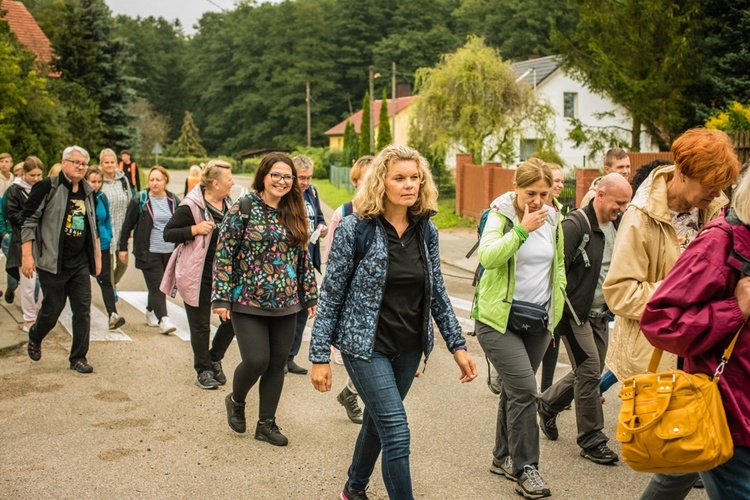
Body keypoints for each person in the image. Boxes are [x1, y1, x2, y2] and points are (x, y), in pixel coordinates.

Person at [310, 145, 477, 500]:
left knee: (377, 421)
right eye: (399, 177)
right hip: (364, 347)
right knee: (397, 431)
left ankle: (354, 488)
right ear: (380, 182)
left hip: (409, 348)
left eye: (415, 177)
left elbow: (437, 295)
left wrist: (457, 345)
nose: (409, 185)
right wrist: (319, 356)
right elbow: (331, 296)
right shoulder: (356, 229)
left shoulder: (425, 230)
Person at [602, 128, 740, 499]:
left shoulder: (717, 208)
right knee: (686, 457)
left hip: (704, 347)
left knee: (688, 458)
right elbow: (619, 291)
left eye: (721, 185)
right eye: (709, 184)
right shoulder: (640, 217)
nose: (716, 193)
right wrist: (682, 294)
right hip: (661, 352)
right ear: (681, 172)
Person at [640, 172, 750, 500]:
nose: (715, 192)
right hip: (731, 414)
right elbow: (661, 320)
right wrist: (735, 309)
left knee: (675, 475)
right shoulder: (722, 241)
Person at [472, 157, 566, 499]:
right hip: (498, 320)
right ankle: (527, 467)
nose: (538, 200)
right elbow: (489, 257)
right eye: (531, 193)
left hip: (538, 321)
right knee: (527, 390)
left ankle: (501, 457)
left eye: (544, 193)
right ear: (516, 187)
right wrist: (523, 228)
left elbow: (558, 269)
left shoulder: (555, 217)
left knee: (515, 391)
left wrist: (556, 313)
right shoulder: (500, 215)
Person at [213, 152, 318, 447]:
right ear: (264, 176)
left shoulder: (294, 211)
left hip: (286, 302)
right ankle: (236, 400)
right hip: (247, 299)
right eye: (276, 175)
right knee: (257, 360)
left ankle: (266, 423)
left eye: (288, 177)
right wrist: (221, 297)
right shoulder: (244, 208)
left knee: (277, 364)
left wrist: (310, 296)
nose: (282, 181)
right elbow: (224, 255)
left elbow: (302, 258)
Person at [537, 174, 632, 465]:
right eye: (619, 203)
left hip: (602, 314)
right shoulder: (576, 225)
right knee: (590, 370)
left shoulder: (618, 225)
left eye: (626, 204)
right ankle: (592, 440)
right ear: (600, 195)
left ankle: (548, 403)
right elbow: (555, 271)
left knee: (587, 369)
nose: (622, 209)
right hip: (574, 314)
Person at [21, 146, 101, 374]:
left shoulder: (88, 191)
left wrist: (97, 258)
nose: (80, 167)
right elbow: (27, 222)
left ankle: (78, 357)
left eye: (83, 163)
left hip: (79, 263)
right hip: (52, 262)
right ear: (64, 162)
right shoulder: (47, 186)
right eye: (75, 162)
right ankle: (36, 335)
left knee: (83, 310)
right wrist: (28, 256)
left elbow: (92, 227)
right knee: (52, 310)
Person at [598, 159, 670, 401]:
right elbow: (620, 286)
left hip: (615, 305)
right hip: (593, 303)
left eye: (628, 167)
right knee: (589, 367)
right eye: (621, 167)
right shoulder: (635, 216)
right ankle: (577, 398)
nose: (626, 171)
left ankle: (585, 392)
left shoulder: (625, 212)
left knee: (595, 368)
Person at [162, 160, 236, 390]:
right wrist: (194, 229)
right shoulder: (191, 206)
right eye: (229, 179)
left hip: (224, 274)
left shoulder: (229, 204)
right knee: (201, 325)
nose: (232, 182)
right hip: (197, 273)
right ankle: (203, 369)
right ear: (215, 183)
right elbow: (169, 233)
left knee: (234, 318)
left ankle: (214, 357)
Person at [323, 154, 373, 425]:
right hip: (352, 300)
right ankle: (352, 394)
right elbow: (332, 260)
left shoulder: (391, 212)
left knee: (374, 354)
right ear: (355, 181)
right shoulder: (342, 213)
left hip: (379, 302)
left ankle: (350, 393)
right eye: (366, 178)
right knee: (360, 355)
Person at [118, 166, 179, 335]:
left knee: (161, 285)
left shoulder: (174, 200)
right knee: (158, 286)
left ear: (165, 180)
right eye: (151, 179)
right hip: (149, 251)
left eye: (158, 179)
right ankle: (164, 319)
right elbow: (127, 225)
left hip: (169, 251)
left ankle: (150, 310)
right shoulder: (140, 199)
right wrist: (122, 248)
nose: (154, 183)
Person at [286, 155, 327, 375]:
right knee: (287, 312)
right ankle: (279, 358)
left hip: (308, 261)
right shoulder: (286, 195)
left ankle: (290, 357)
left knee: (303, 310)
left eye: (309, 177)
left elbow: (319, 216)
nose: (305, 182)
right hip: (289, 263)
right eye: (301, 177)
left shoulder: (312, 192)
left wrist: (322, 227)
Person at [5, 156, 45, 332]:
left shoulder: (44, 188)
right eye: (32, 175)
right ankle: (29, 319)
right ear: (24, 173)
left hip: (43, 241)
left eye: (39, 175)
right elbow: (11, 214)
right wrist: (29, 218)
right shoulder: (15, 190)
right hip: (22, 240)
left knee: (44, 283)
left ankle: (39, 314)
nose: (36, 178)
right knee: (28, 283)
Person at [85, 166, 125, 330]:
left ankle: (113, 315)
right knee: (81, 282)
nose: (96, 185)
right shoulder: (80, 198)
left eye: (99, 181)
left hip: (102, 245)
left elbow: (107, 219)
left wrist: (108, 235)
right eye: (93, 181)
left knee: (106, 280)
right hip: (83, 246)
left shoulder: (102, 197)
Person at [539, 162, 566, 394]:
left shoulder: (560, 212)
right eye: (555, 180)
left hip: (553, 292)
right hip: (531, 294)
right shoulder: (528, 212)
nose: (559, 185)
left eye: (561, 181)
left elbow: (561, 258)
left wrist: (561, 287)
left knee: (552, 342)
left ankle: (546, 393)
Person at [99, 148, 131, 289]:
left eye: (112, 162)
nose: (109, 165)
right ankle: (110, 292)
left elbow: (130, 203)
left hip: (122, 229)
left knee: (123, 264)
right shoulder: (99, 181)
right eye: (106, 162)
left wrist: (131, 227)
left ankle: (112, 284)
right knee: (108, 265)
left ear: (116, 163)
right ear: (101, 164)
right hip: (106, 230)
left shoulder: (123, 180)